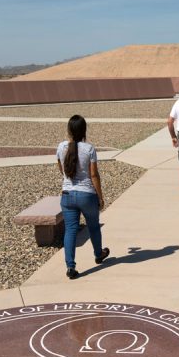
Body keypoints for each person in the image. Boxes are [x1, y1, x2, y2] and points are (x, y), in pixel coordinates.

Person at [56, 115, 110, 279]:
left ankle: (70, 266)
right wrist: (100, 197)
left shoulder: (61, 147)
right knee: (93, 226)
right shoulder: (89, 149)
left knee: (70, 230)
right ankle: (98, 254)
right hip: (87, 194)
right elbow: (94, 175)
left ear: (69, 130)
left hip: (67, 194)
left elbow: (61, 169)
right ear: (84, 130)